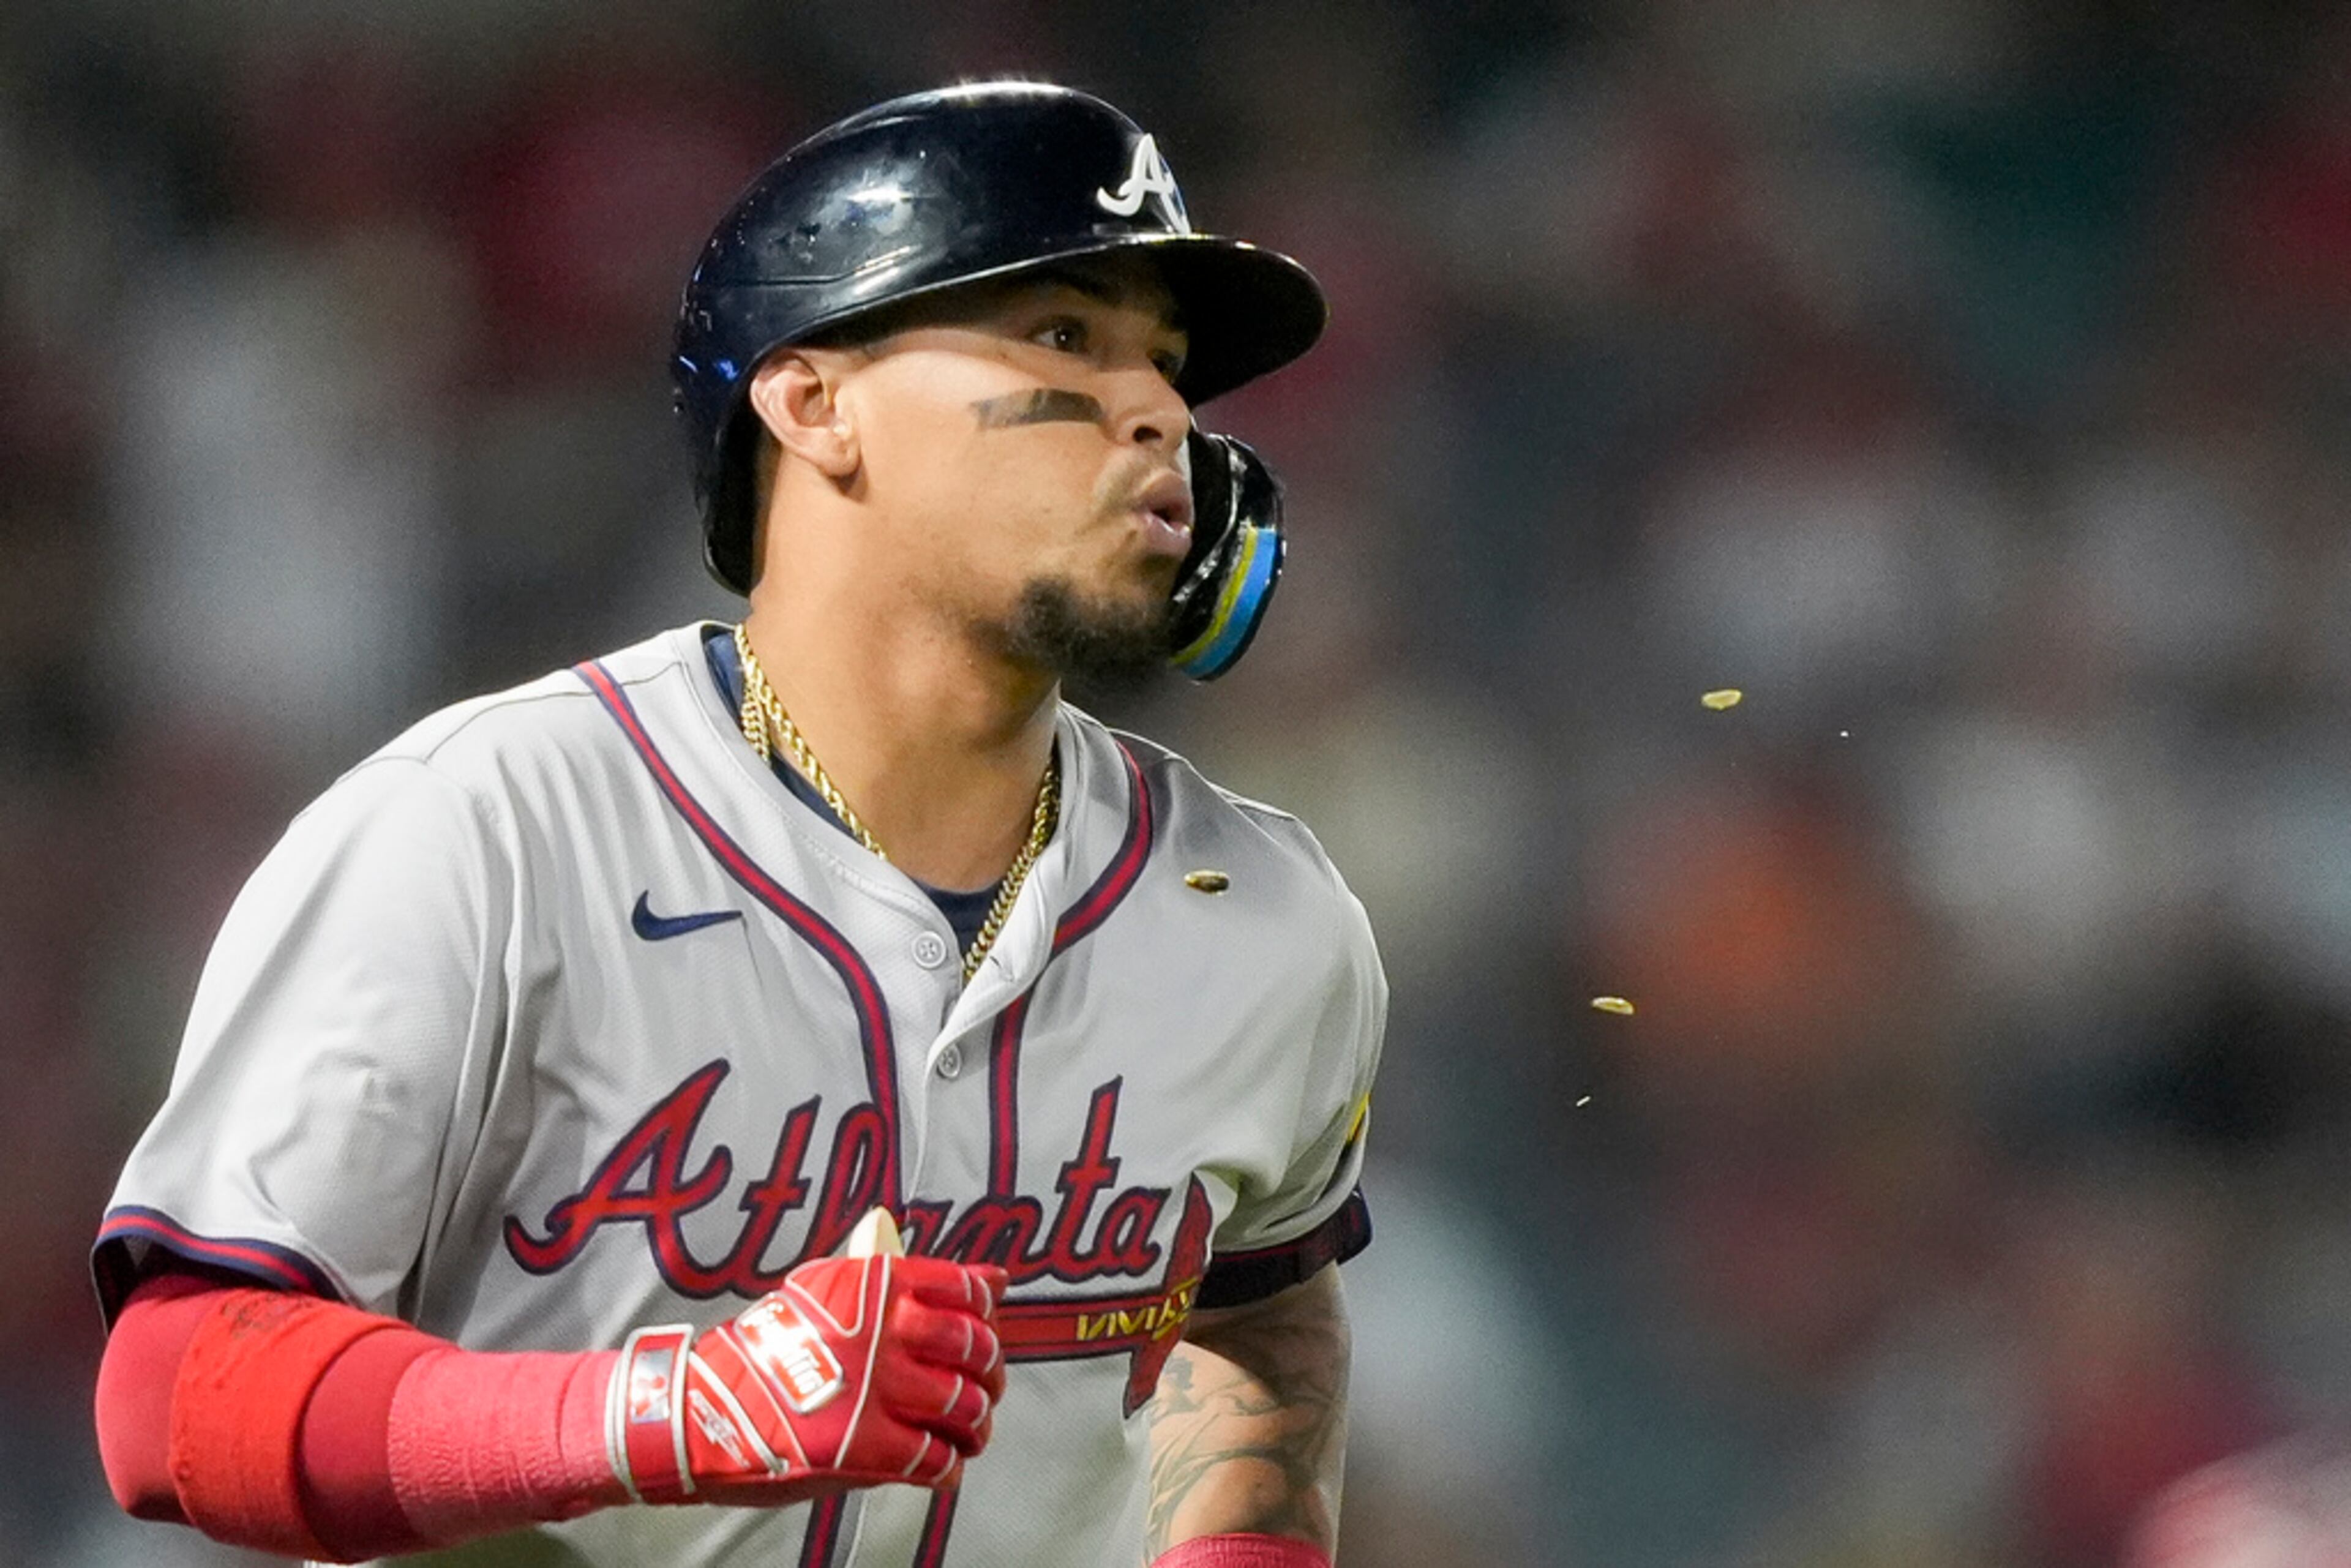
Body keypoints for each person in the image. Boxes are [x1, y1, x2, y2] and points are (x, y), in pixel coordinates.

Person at [89, 80, 1386, 1568]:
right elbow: (172, 1393)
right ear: (814, 404)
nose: (1159, 411)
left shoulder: (1265, 911)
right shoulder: (486, 832)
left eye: (1166, 363)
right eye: (1062, 336)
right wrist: (664, 1412)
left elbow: (1263, 1315)